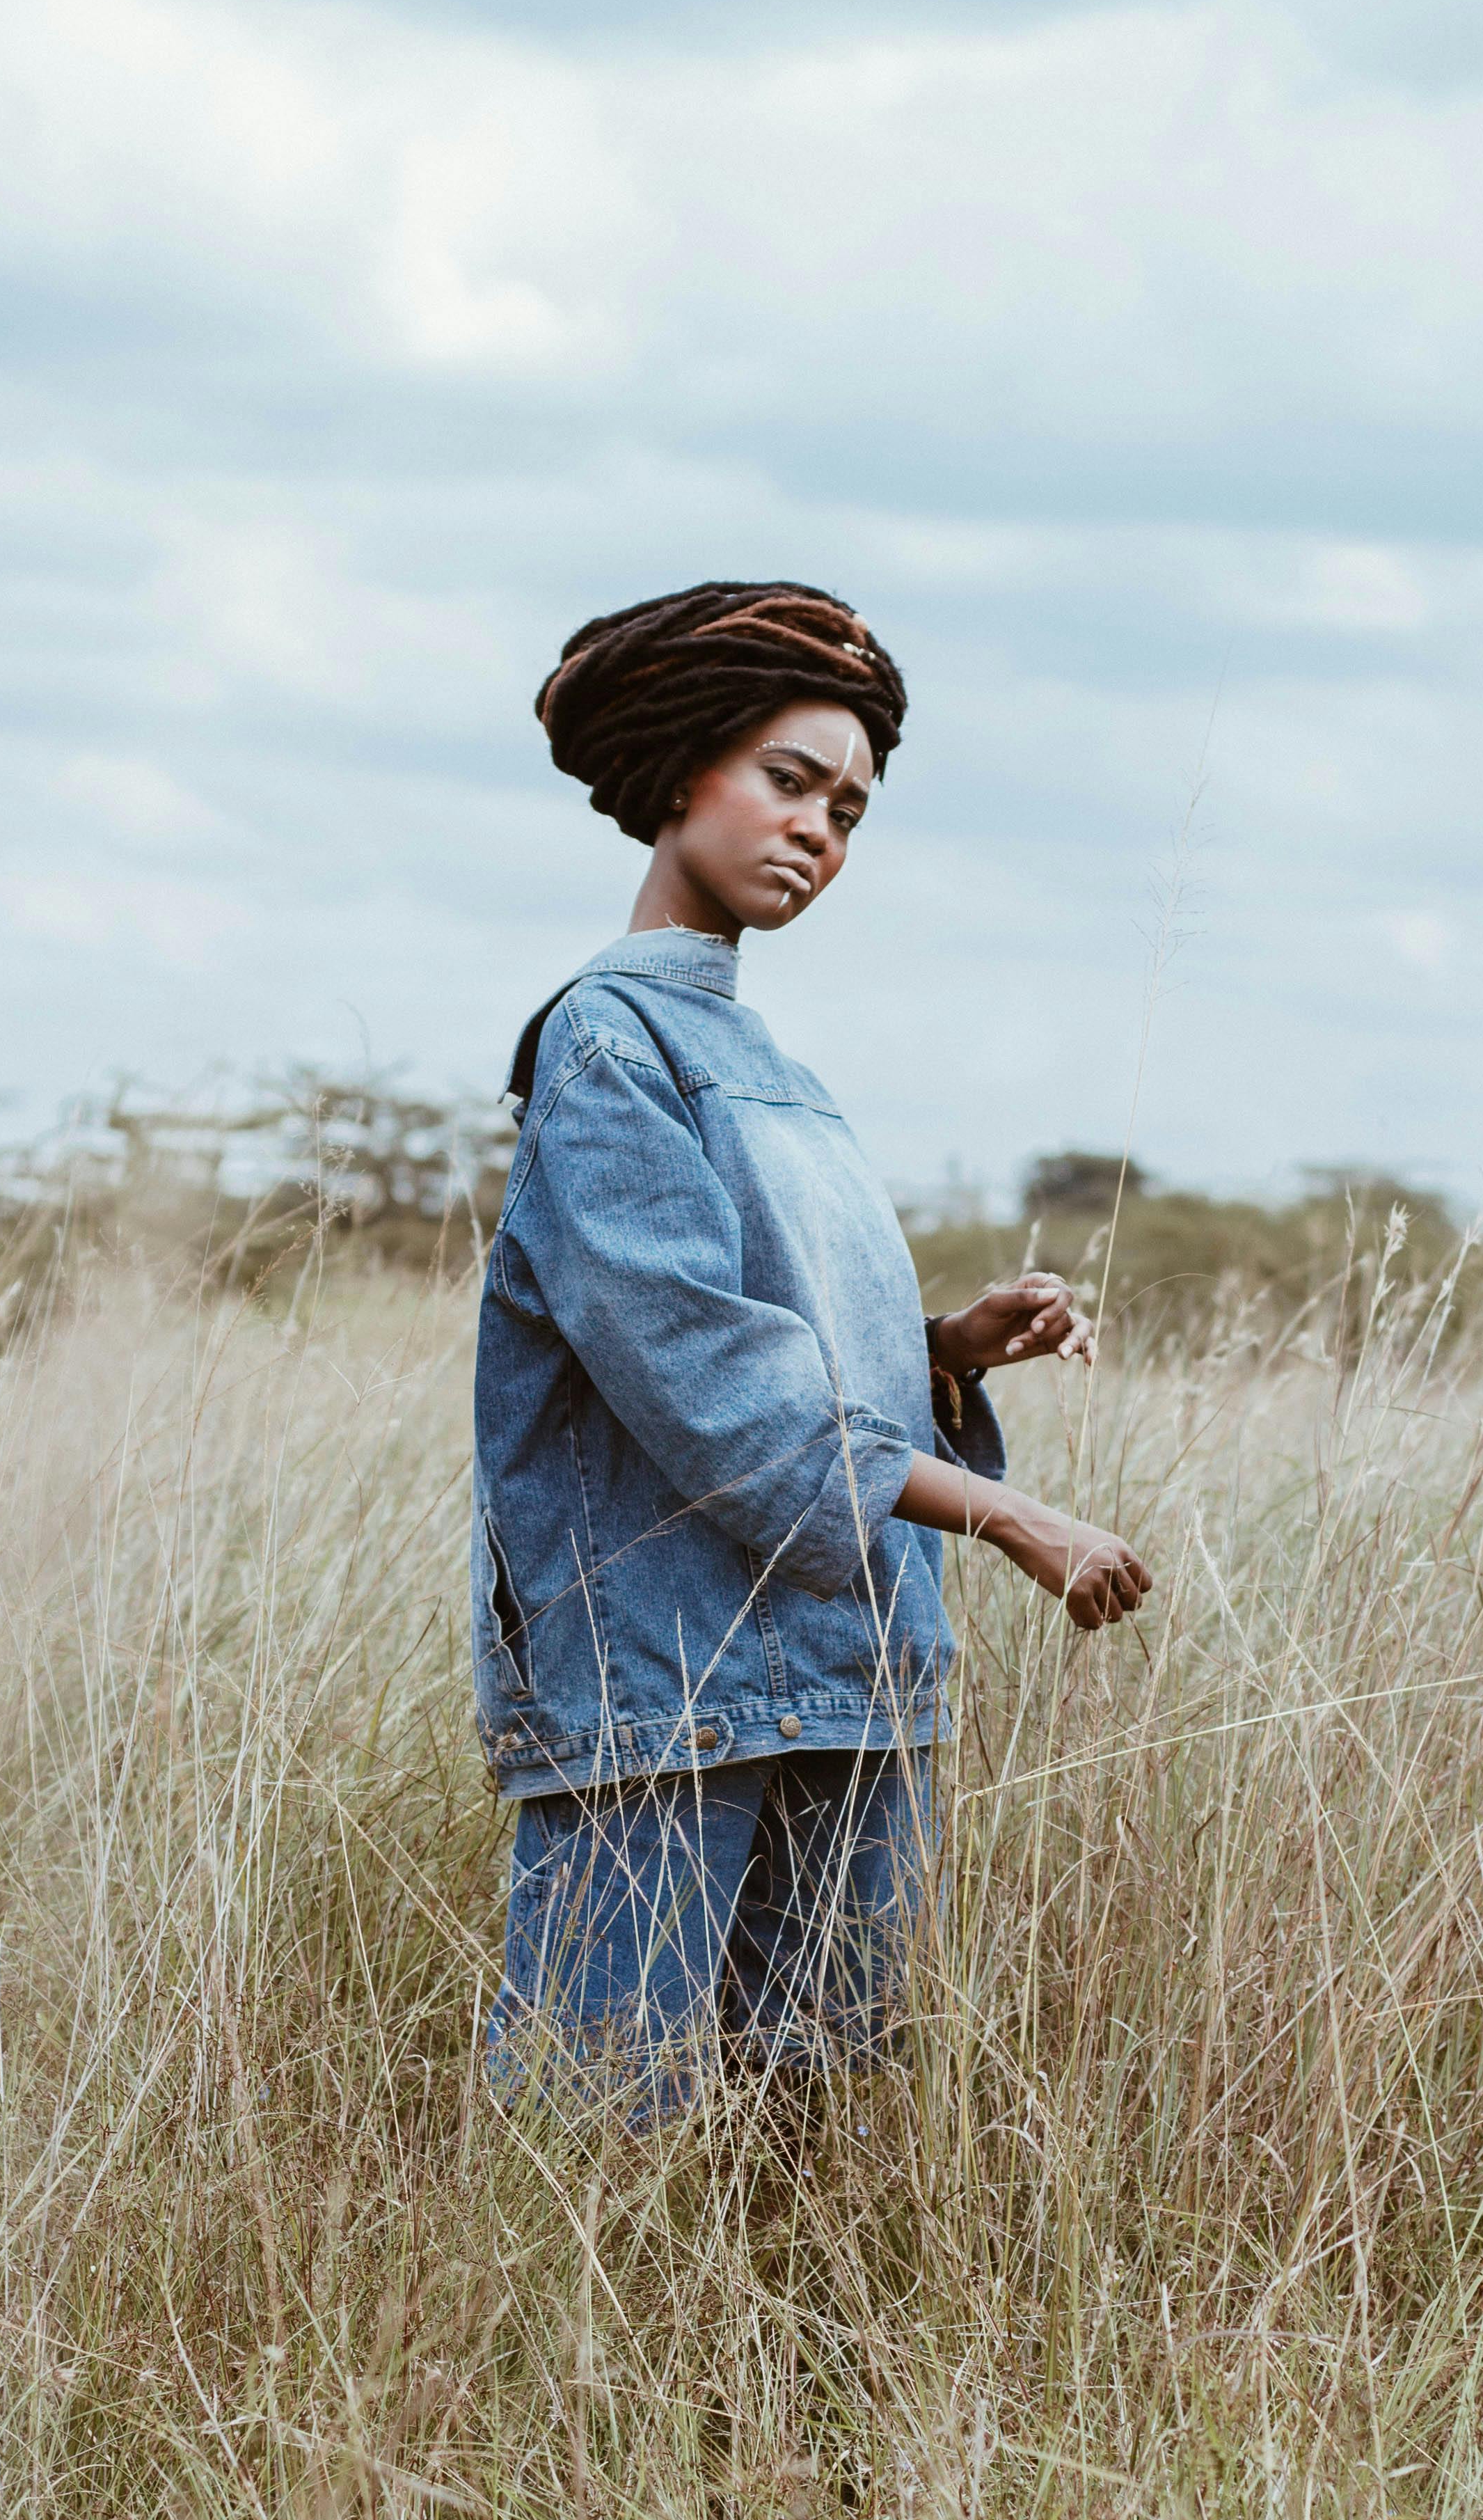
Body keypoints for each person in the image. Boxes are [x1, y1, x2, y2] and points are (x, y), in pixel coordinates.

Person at [473, 578, 1152, 2109]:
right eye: (786, 781)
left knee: (812, 2157)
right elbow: (710, 1388)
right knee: (603, 2144)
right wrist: (1005, 1512)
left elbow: (793, 1361)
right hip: (666, 1696)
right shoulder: (607, 1044)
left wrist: (947, 1353)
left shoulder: (769, 1063)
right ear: (678, 773)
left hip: (847, 1677)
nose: (818, 834)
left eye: (848, 810)